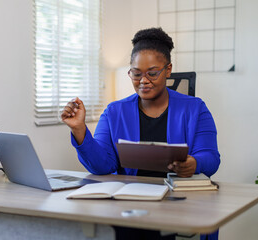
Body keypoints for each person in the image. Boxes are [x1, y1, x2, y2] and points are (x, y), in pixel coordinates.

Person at [61, 27, 220, 240]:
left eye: (152, 73)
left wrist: (194, 163)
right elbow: (102, 166)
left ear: (168, 70)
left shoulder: (195, 108)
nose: (143, 80)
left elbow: (211, 158)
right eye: (136, 74)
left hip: (176, 201)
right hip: (130, 201)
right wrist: (79, 129)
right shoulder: (114, 111)